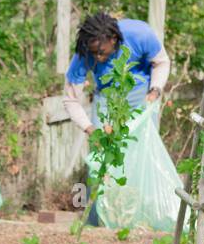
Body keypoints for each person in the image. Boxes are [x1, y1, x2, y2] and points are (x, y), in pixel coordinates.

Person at [63, 12, 171, 227]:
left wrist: (155, 90)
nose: (98, 59)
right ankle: (99, 221)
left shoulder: (140, 34)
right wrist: (90, 128)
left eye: (101, 52)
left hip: (142, 96)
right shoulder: (84, 54)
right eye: (93, 54)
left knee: (142, 155)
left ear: (113, 40)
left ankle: (143, 218)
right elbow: (70, 98)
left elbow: (161, 62)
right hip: (106, 98)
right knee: (101, 160)